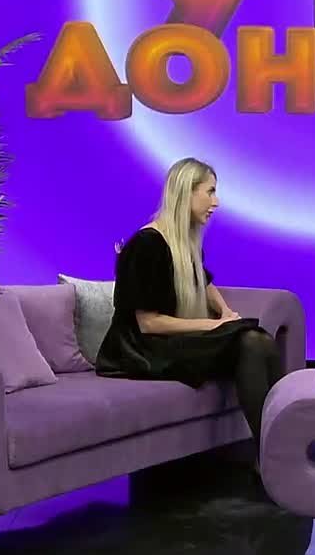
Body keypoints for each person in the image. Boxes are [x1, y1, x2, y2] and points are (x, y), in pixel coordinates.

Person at [97, 157, 285, 465]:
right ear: (187, 192)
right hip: (141, 350)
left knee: (258, 339)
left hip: (166, 342)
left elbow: (203, 280)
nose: (216, 202)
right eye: (210, 192)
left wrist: (225, 312)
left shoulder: (185, 241)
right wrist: (212, 326)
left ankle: (282, 445)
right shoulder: (146, 245)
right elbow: (148, 324)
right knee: (250, 341)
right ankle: (273, 456)